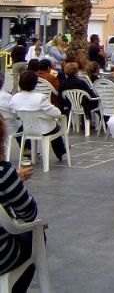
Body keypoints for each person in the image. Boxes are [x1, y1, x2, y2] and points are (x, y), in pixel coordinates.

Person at [0, 116, 38, 293]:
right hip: (3, 256)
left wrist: (13, 179)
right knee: (37, 237)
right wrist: (13, 182)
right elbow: (28, 214)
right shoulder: (4, 173)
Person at [11, 70, 67, 161]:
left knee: (50, 122)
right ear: (35, 83)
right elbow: (56, 113)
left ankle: (61, 150)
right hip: (44, 129)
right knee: (55, 125)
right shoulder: (40, 98)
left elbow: (15, 112)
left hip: (27, 128)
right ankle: (61, 151)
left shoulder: (15, 97)